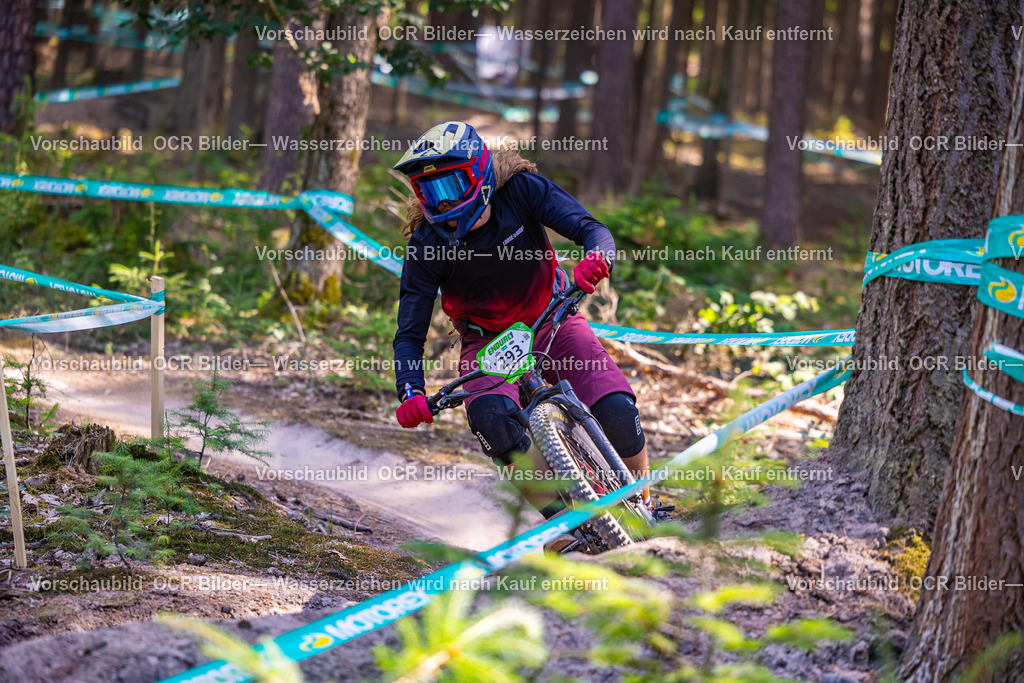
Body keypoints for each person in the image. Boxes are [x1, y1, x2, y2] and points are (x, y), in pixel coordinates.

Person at [391, 121, 671, 551]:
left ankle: (646, 502)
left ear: (479, 171)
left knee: (615, 409)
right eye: (428, 191)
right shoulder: (427, 244)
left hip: (551, 316)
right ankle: (565, 526)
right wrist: (409, 390)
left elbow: (594, 230)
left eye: (450, 185)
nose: (440, 201)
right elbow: (408, 332)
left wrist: (597, 258)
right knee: (491, 419)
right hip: (487, 343)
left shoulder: (522, 190)